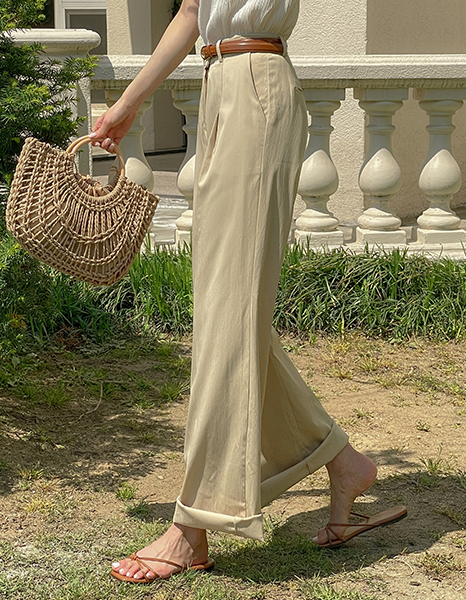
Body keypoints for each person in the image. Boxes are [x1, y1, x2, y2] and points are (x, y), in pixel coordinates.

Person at [89, 0, 406, 584]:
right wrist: (129, 104)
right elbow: (193, 9)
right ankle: (341, 461)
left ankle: (193, 524)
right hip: (218, 83)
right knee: (224, 310)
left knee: (228, 313)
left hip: (257, 82)